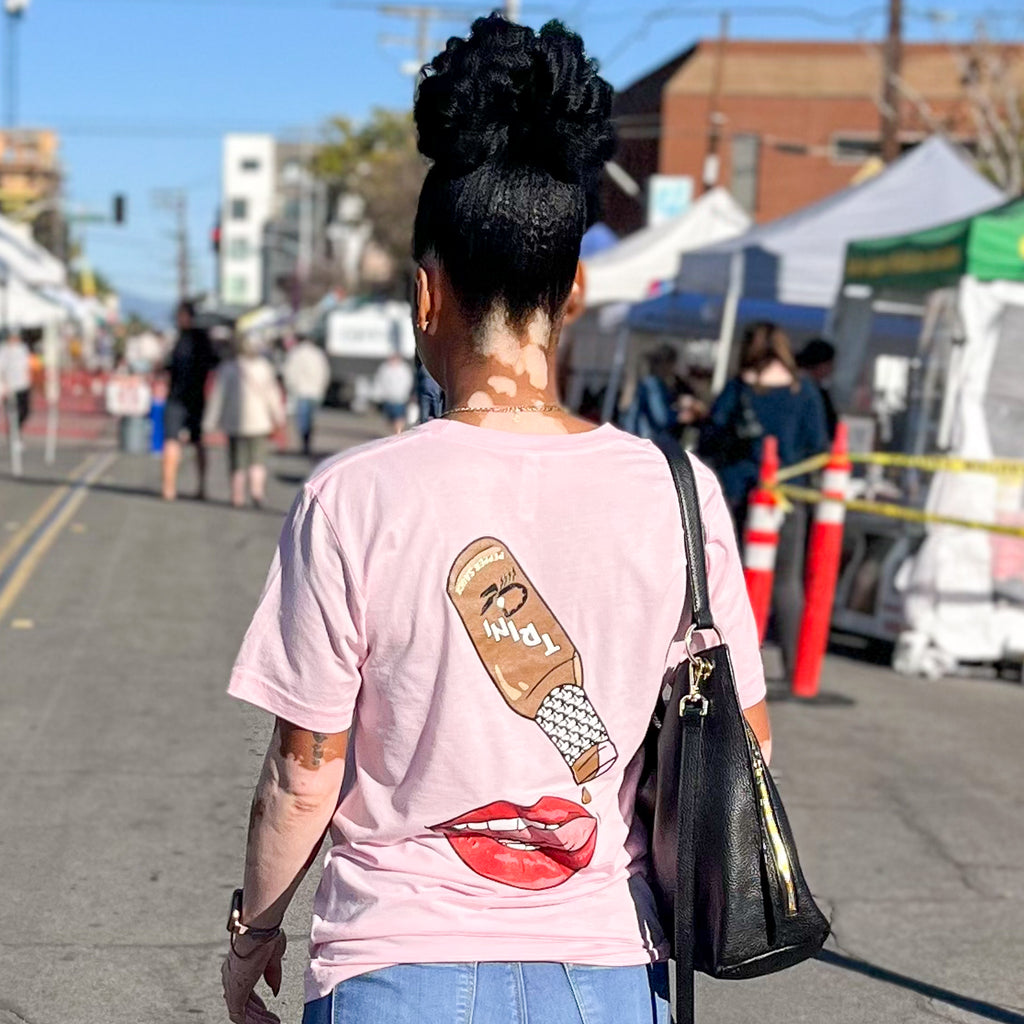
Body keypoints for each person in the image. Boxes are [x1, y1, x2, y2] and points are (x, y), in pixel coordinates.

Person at [221, 16, 770, 1024]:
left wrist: (254, 931)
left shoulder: (354, 494)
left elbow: (306, 773)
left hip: (394, 964)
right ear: (577, 293)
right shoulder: (680, 491)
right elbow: (745, 742)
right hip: (608, 964)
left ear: (424, 297)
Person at [701, 321, 829, 686]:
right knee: (788, 584)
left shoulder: (740, 388)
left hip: (743, 493)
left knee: (733, 582)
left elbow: (713, 435)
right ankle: (795, 669)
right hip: (790, 496)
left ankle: (734, 669)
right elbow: (817, 442)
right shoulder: (803, 390)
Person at [204, 335, 285, 509]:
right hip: (260, 422)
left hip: (235, 422)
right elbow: (273, 395)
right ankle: (257, 492)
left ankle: (237, 496)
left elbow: (218, 397)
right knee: (257, 460)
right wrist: (279, 416)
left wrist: (209, 422)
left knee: (236, 461)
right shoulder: (264, 368)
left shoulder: (227, 368)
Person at [161, 301, 217, 501]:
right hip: (194, 397)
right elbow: (213, 364)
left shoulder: (177, 340)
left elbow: (165, 367)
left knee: (174, 441)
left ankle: (170, 488)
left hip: (178, 397)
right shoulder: (203, 339)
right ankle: (197, 487)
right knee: (195, 442)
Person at [621, 344, 705, 455]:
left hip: (636, 438)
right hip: (649, 440)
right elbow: (661, 416)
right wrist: (679, 416)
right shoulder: (654, 385)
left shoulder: (645, 383)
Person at [282, 334, 331, 457]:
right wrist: (321, 387)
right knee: (311, 418)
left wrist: (291, 387)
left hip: (301, 391)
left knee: (302, 419)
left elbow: (289, 372)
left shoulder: (295, 354)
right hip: (315, 391)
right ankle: (308, 440)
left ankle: (305, 442)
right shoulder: (318, 354)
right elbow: (324, 372)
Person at [796, 337, 838, 440]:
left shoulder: (793, 388)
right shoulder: (814, 393)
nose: (831, 369)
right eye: (830, 364)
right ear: (821, 364)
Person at [0, 329, 32, 442]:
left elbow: (26, 365)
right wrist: (4, 385)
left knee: (25, 410)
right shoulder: (4, 350)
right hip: (11, 386)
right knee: (12, 412)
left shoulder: (23, 348)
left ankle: (16, 429)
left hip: (23, 385)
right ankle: (14, 434)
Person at [373, 351, 414, 434]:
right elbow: (379, 381)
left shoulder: (403, 369)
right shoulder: (384, 368)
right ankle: (396, 431)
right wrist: (378, 394)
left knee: (399, 417)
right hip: (388, 397)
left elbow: (408, 381)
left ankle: (398, 433)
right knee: (390, 419)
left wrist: (405, 392)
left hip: (400, 397)